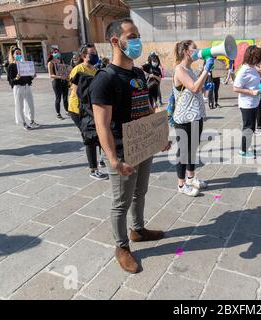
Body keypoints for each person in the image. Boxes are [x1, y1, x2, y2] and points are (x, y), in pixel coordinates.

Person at [90, 18, 169, 273]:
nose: (137, 41)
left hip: (142, 146)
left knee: (141, 192)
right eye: (132, 36)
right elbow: (102, 125)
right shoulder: (105, 79)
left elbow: (144, 108)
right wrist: (113, 159)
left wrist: (159, 137)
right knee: (120, 202)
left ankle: (138, 230)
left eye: (137, 36)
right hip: (123, 151)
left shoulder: (136, 73)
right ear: (116, 41)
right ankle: (121, 246)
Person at [173, 40, 212, 197]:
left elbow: (198, 90)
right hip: (183, 118)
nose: (197, 51)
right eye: (194, 49)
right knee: (183, 151)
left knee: (193, 148)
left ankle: (190, 178)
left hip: (196, 115)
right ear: (185, 51)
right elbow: (193, 87)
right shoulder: (179, 69)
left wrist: (206, 86)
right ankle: (181, 184)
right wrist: (205, 70)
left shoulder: (190, 69)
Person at [68, 43, 108, 181]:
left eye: (96, 52)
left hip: (91, 109)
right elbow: (75, 91)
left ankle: (102, 159)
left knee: (99, 133)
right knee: (90, 137)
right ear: (84, 55)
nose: (95, 55)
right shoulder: (78, 69)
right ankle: (93, 169)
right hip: (78, 110)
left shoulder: (96, 70)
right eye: (93, 53)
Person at [234, 45, 261, 159]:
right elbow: (235, 88)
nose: (259, 60)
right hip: (247, 103)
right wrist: (252, 92)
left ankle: (247, 146)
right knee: (248, 127)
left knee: (251, 127)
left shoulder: (252, 67)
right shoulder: (244, 70)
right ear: (253, 57)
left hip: (254, 102)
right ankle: (243, 151)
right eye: (259, 58)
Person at [7, 47, 40, 130]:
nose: (18, 55)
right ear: (13, 55)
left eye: (19, 53)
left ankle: (32, 121)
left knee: (31, 105)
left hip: (27, 86)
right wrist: (16, 78)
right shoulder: (11, 66)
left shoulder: (24, 64)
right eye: (17, 54)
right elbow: (10, 81)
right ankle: (24, 123)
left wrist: (32, 76)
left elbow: (28, 78)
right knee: (19, 106)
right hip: (18, 88)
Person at [47, 48, 69, 119]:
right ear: (51, 54)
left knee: (65, 97)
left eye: (57, 52)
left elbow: (65, 70)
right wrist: (59, 77)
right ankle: (58, 113)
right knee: (58, 98)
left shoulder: (61, 61)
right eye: (54, 52)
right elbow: (50, 75)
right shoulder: (50, 63)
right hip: (56, 81)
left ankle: (67, 111)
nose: (56, 53)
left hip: (64, 81)